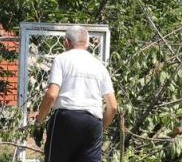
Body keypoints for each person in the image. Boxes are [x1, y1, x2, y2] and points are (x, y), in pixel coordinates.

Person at [33, 26, 118, 162]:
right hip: (93, 122)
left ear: (66, 42)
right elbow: (113, 106)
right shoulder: (99, 65)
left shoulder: (62, 59)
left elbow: (51, 95)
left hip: (66, 119)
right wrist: (101, 128)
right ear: (87, 43)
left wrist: (39, 120)